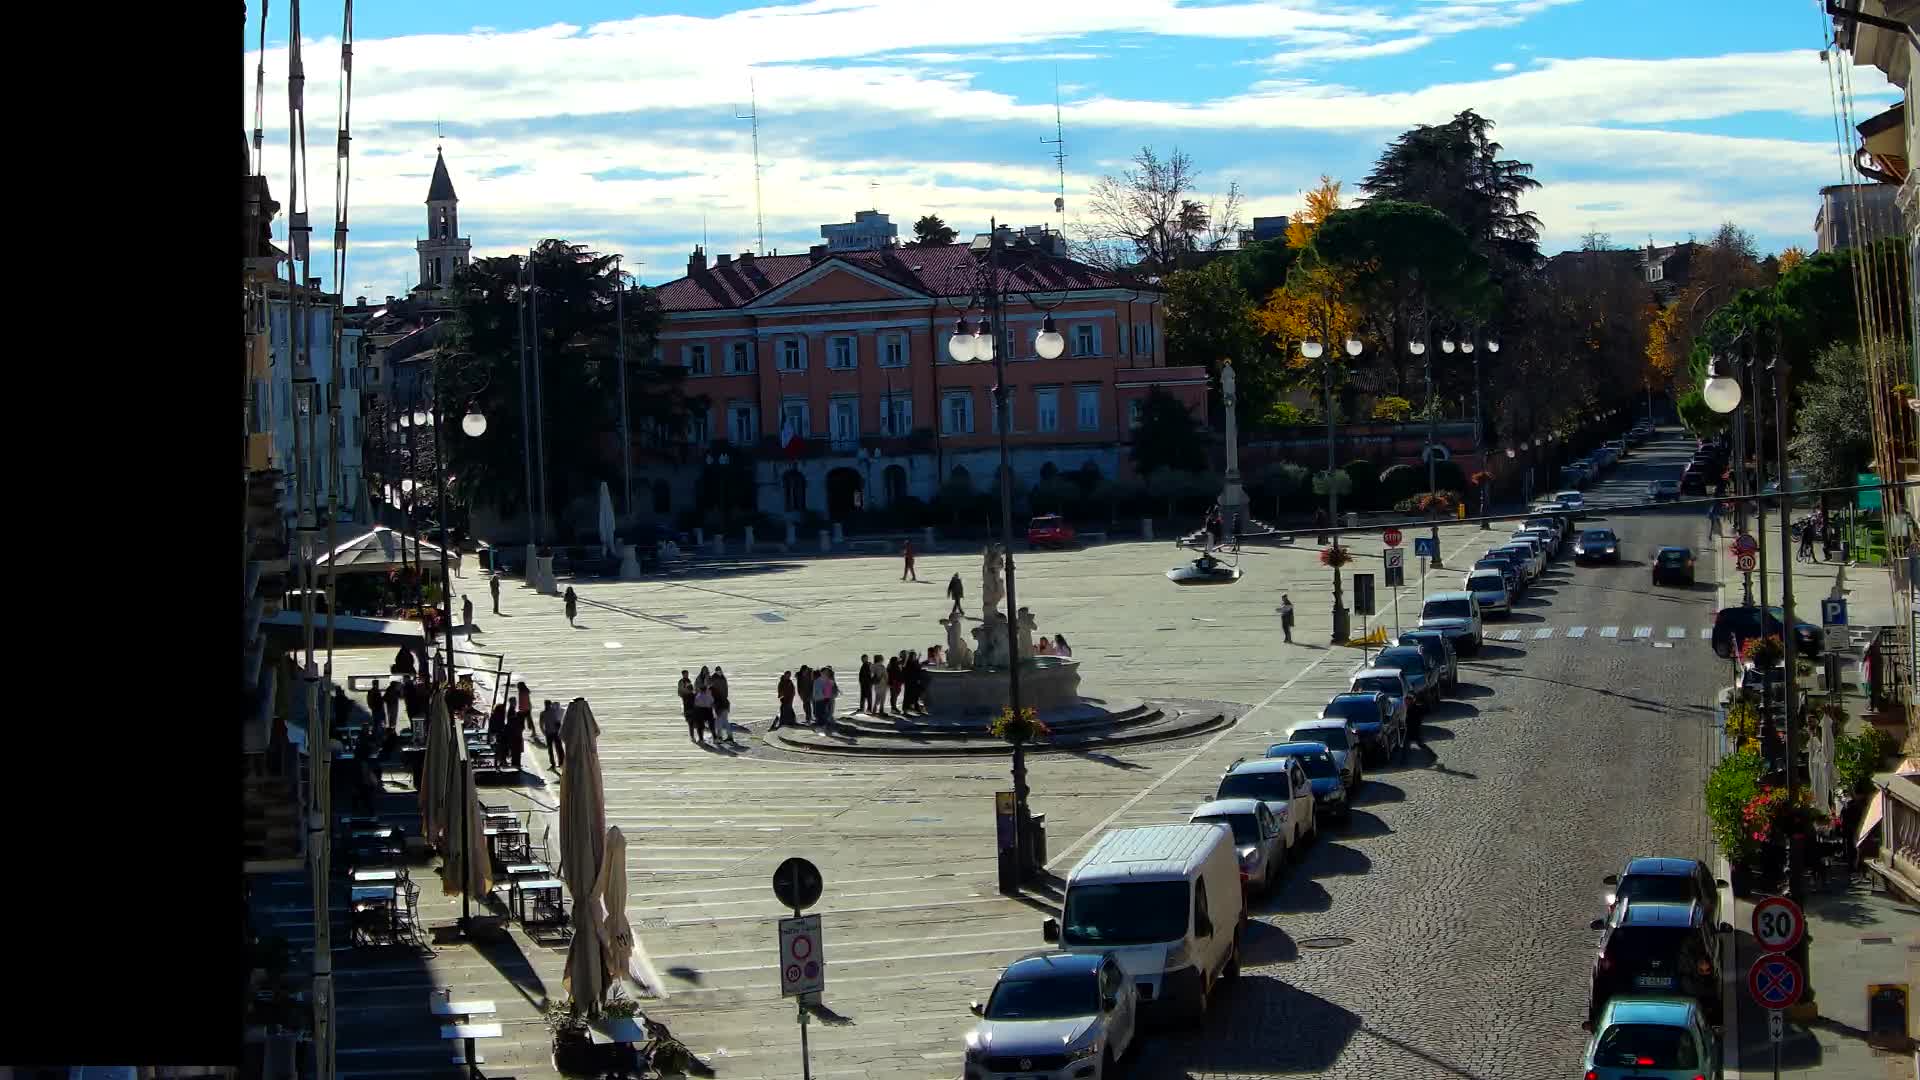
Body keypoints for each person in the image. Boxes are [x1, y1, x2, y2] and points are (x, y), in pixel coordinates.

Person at [711, 666, 736, 745]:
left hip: (721, 704)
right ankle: (726, 737)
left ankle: (722, 737)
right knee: (723, 721)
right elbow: (725, 692)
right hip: (723, 703)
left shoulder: (716, 680)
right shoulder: (722, 679)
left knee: (721, 721)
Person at [542, 699, 566, 771]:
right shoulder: (553, 712)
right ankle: (560, 763)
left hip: (551, 733)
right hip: (553, 733)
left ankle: (556, 764)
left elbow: (541, 724)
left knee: (554, 749)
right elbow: (558, 722)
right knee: (557, 748)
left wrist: (544, 731)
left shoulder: (544, 713)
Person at [503, 701, 526, 772]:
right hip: (517, 737)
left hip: (513, 737)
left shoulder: (514, 719)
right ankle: (516, 764)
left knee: (515, 752)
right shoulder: (520, 722)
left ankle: (515, 763)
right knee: (517, 753)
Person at [691, 681, 715, 747]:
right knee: (711, 725)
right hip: (709, 710)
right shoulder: (709, 695)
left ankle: (701, 739)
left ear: (700, 690)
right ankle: (715, 738)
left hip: (700, 711)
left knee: (700, 726)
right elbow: (712, 702)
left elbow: (695, 704)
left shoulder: (698, 696)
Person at [677, 671, 698, 742]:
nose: (687, 675)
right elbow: (680, 692)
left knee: (694, 720)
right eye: (685, 674)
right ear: (683, 675)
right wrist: (687, 692)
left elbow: (691, 690)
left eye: (687, 674)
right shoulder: (681, 682)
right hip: (687, 703)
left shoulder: (688, 680)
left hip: (692, 702)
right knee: (690, 721)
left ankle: (696, 736)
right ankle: (692, 736)